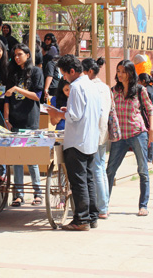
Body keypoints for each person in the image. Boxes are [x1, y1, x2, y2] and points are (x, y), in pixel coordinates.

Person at [47, 54, 101, 231]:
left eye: (64, 74)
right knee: (88, 180)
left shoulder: (77, 87)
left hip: (78, 141)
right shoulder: (92, 85)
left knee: (78, 181)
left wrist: (59, 114)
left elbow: (74, 116)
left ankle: (82, 219)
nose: (63, 78)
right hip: (90, 140)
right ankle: (92, 216)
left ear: (72, 71)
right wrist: (67, 110)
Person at [106, 60, 153, 217]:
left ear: (130, 73)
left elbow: (149, 109)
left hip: (137, 133)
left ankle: (143, 205)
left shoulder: (140, 90)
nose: (119, 74)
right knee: (110, 170)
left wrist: (151, 129)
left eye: (123, 71)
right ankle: (104, 205)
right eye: (118, 71)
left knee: (143, 170)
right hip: (119, 136)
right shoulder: (114, 91)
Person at [4, 43, 44, 206]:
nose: (17, 57)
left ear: (28, 55)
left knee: (31, 159)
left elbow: (37, 96)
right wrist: (6, 120)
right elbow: (6, 98)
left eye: (20, 54)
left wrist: (17, 89)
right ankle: (18, 194)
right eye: (15, 55)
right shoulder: (12, 73)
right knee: (17, 159)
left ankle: (37, 193)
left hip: (30, 121)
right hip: (14, 121)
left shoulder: (36, 72)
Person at [81, 57, 113, 220]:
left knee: (97, 169)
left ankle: (102, 206)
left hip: (92, 133)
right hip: (103, 132)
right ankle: (104, 205)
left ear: (89, 72)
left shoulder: (89, 87)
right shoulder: (105, 88)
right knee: (100, 167)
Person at [138, 73, 153, 163]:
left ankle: (149, 158)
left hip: (151, 115)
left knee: (150, 136)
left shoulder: (145, 90)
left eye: (139, 81)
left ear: (143, 81)